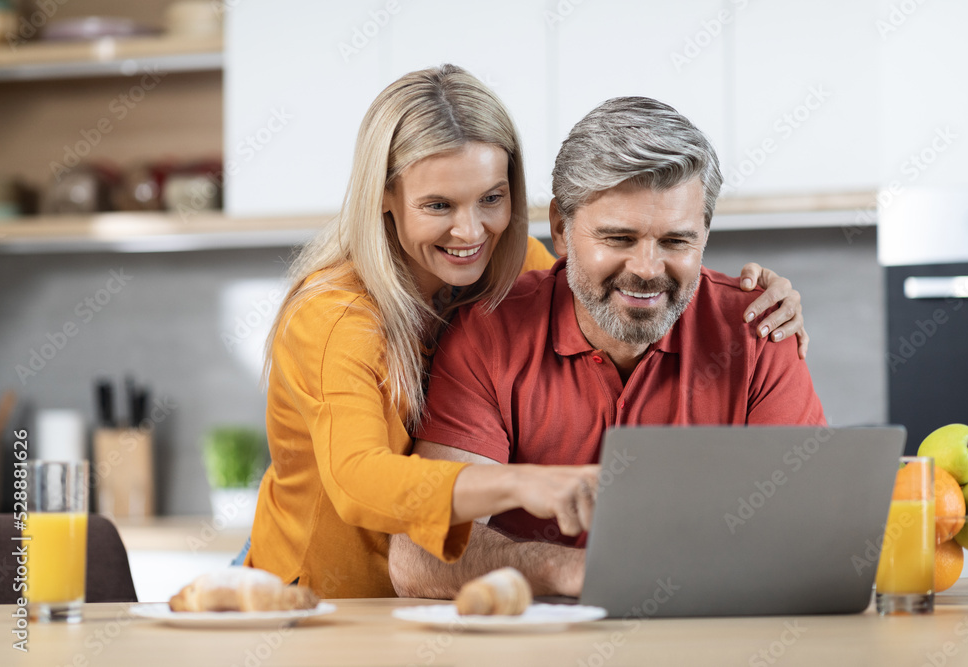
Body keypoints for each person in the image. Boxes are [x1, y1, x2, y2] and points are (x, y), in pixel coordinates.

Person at [244, 65, 809, 599]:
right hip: (322, 598)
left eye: (491, 198)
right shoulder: (337, 316)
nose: (471, 229)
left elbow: (607, 278)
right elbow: (357, 480)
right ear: (384, 197)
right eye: (439, 204)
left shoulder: (512, 264)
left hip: (423, 610)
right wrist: (524, 484)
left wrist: (756, 301)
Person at [388, 96, 826, 600]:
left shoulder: (759, 332)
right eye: (618, 238)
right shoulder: (489, 336)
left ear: (705, 235)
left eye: (676, 242)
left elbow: (811, 538)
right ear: (560, 229)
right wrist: (569, 569)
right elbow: (419, 556)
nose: (646, 268)